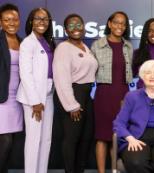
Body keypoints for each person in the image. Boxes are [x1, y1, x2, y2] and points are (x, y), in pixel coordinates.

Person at [53, 14, 98, 173]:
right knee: (71, 140)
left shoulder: (85, 47)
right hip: (73, 94)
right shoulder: (63, 48)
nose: (76, 28)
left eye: (79, 24)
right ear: (65, 30)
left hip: (86, 95)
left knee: (86, 138)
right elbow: (61, 78)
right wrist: (72, 105)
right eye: (71, 26)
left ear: (84, 27)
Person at [91, 11, 133, 173]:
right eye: (116, 22)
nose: (119, 26)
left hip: (124, 94)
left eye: (123, 23)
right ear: (109, 24)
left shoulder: (128, 45)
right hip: (104, 94)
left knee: (118, 135)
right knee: (102, 136)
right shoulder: (97, 45)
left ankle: (115, 170)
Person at [16, 7, 55, 173]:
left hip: (48, 96)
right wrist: (35, 102)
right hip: (34, 99)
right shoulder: (27, 43)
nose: (42, 22)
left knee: (46, 140)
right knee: (33, 140)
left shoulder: (47, 42)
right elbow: (25, 74)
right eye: (38, 18)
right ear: (31, 21)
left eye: (45, 19)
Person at [0, 3, 23, 173]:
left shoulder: (23, 41)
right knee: (5, 140)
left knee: (12, 141)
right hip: (2, 98)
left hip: (18, 98)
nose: (11, 23)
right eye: (7, 20)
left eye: (14, 19)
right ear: (1, 22)